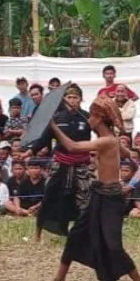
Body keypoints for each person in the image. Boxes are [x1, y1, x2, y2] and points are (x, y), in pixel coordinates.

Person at [45, 96, 140, 281]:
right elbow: (126, 154)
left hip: (111, 198)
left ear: (98, 118)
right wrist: (123, 160)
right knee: (76, 235)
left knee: (112, 244)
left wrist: (54, 127)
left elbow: (72, 147)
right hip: (98, 194)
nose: (88, 119)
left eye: (90, 115)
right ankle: (59, 278)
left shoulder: (106, 141)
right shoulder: (110, 140)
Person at [35, 84, 93, 242]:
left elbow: (101, 133)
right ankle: (38, 232)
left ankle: (82, 232)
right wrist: (29, 151)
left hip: (82, 163)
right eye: (69, 97)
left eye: (75, 97)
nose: (72, 100)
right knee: (50, 194)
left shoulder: (87, 117)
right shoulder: (56, 118)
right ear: (64, 99)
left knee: (85, 197)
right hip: (60, 161)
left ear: (81, 99)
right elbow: (44, 139)